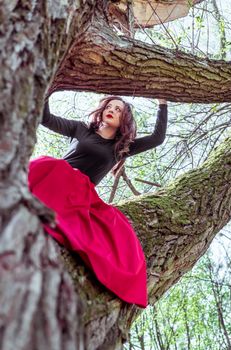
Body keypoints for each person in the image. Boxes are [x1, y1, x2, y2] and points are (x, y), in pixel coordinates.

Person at [28, 95, 167, 308]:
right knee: (47, 165)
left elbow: (157, 138)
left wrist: (162, 104)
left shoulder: (122, 148)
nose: (111, 110)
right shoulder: (81, 129)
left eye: (119, 110)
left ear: (124, 120)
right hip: (57, 177)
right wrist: (52, 85)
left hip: (80, 193)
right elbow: (45, 118)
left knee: (115, 231)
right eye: (109, 107)